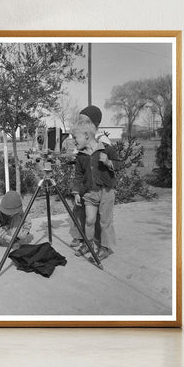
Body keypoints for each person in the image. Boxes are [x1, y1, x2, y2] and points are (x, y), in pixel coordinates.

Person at [71, 118, 122, 261]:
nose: (74, 141)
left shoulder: (107, 149)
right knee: (90, 220)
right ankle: (88, 244)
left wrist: (108, 162)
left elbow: (119, 165)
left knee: (105, 221)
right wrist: (76, 192)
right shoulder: (81, 156)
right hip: (89, 193)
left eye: (75, 137)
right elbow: (78, 176)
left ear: (87, 136)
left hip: (106, 192)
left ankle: (105, 248)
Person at [69, 105, 103, 249]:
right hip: (81, 179)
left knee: (94, 216)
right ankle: (79, 236)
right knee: (78, 209)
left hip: (94, 185)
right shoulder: (80, 135)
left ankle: (96, 239)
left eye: (84, 121)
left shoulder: (102, 140)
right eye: (80, 121)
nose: (81, 123)